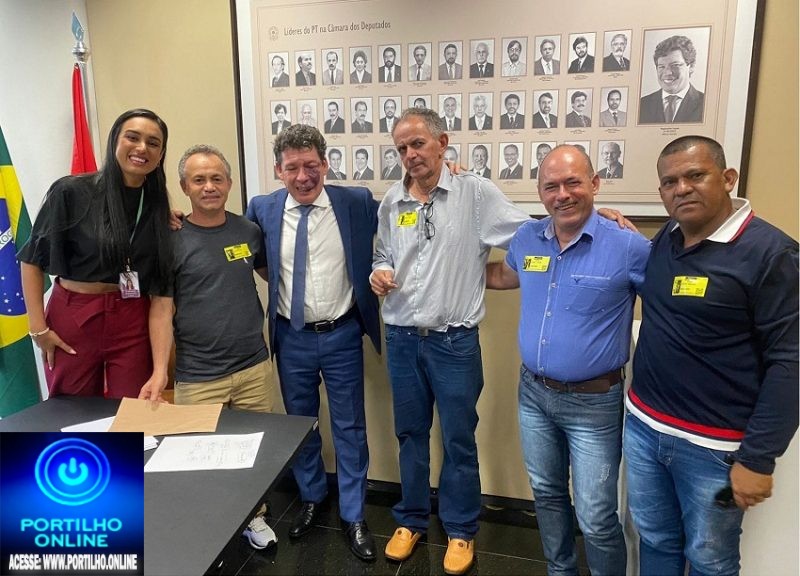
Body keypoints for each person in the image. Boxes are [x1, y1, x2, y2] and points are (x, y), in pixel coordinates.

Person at [624, 136, 798, 576]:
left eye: (695, 175)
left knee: (710, 560)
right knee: (654, 540)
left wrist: (758, 459)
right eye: (670, 182)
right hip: (644, 428)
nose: (681, 188)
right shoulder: (668, 237)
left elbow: (791, 362)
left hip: (713, 449)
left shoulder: (772, 254)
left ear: (728, 178)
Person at [370, 108, 532, 575]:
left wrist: (594, 220)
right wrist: (380, 271)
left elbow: (530, 236)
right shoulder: (393, 200)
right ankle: (411, 519)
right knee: (410, 434)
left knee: (459, 437)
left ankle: (460, 528)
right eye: (401, 148)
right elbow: (382, 253)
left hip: (454, 343)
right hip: (402, 339)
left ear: (443, 142)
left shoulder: (474, 193)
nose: (409, 155)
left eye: (418, 144)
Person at [486, 144, 649, 576]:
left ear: (595, 184)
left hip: (594, 404)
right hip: (534, 396)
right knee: (547, 494)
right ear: (540, 193)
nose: (562, 195)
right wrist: (441, 275)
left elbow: (667, 303)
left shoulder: (628, 246)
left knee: (596, 515)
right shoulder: (528, 238)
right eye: (551, 186)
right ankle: (560, 571)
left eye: (573, 183)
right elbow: (504, 275)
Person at [245, 124, 382, 562]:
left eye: (311, 165)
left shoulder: (355, 201)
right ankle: (311, 496)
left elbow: (407, 207)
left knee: (350, 426)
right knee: (301, 423)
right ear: (278, 170)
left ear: (325, 164)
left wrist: (448, 174)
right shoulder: (262, 208)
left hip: (342, 333)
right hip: (292, 336)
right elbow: (252, 257)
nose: (303, 177)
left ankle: (354, 513)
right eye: (292, 168)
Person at [18, 108, 173, 400]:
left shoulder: (157, 207)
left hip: (132, 318)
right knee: (72, 410)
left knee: (133, 409)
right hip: (74, 314)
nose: (142, 148)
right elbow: (31, 261)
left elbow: (162, 296)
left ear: (161, 154)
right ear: (115, 140)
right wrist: (38, 329)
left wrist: (160, 369)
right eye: (133, 137)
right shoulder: (71, 192)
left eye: (153, 143)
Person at [169, 144, 277, 551]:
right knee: (198, 457)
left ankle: (255, 517)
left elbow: (271, 276)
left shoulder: (248, 231)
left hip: (252, 367)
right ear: (184, 187)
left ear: (230, 183)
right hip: (198, 374)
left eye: (217, 178)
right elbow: (159, 309)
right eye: (198, 180)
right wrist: (161, 369)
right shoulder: (170, 238)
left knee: (254, 451)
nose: (209, 186)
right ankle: (206, 530)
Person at [639, 35, 705, 124]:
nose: (668, 73)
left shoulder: (707, 104)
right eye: (661, 67)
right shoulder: (642, 105)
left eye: (675, 65)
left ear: (691, 67)